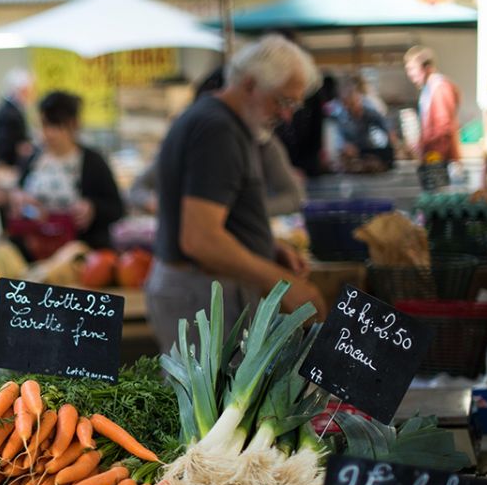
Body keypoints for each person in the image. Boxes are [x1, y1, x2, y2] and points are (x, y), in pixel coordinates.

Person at [146, 34, 326, 354]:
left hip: (203, 289)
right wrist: (281, 284)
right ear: (249, 84)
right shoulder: (218, 130)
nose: (287, 116)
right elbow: (200, 238)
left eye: (294, 105)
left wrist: (265, 246)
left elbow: (219, 217)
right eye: (283, 101)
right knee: (210, 403)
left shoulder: (223, 122)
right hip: (200, 293)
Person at [131, 69, 304, 217]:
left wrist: (242, 214)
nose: (285, 115)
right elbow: (138, 189)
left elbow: (294, 197)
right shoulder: (190, 141)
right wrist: (159, 205)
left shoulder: (263, 143)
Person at [12, 91, 125, 252]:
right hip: (34, 251)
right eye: (44, 125)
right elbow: (17, 193)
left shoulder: (93, 162)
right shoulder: (32, 159)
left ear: (74, 124)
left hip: (78, 254)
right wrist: (19, 200)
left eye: (56, 125)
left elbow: (117, 208)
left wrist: (93, 208)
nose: (48, 133)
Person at [404, 45, 462, 163]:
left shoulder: (440, 88)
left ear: (427, 68)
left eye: (413, 69)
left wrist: (434, 158)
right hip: (434, 157)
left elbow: (443, 128)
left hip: (441, 159)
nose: (410, 75)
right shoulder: (429, 89)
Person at [334, 76, 394, 172]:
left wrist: (390, 134)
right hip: (350, 154)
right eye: (350, 104)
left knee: (374, 164)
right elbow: (338, 136)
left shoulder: (368, 111)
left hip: (367, 150)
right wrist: (344, 145)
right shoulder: (340, 116)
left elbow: (383, 123)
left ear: (359, 100)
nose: (354, 107)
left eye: (355, 103)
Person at [0, 69, 34, 172]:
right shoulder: (8, 112)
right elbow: (6, 142)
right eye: (26, 91)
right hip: (10, 165)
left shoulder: (13, 109)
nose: (28, 95)